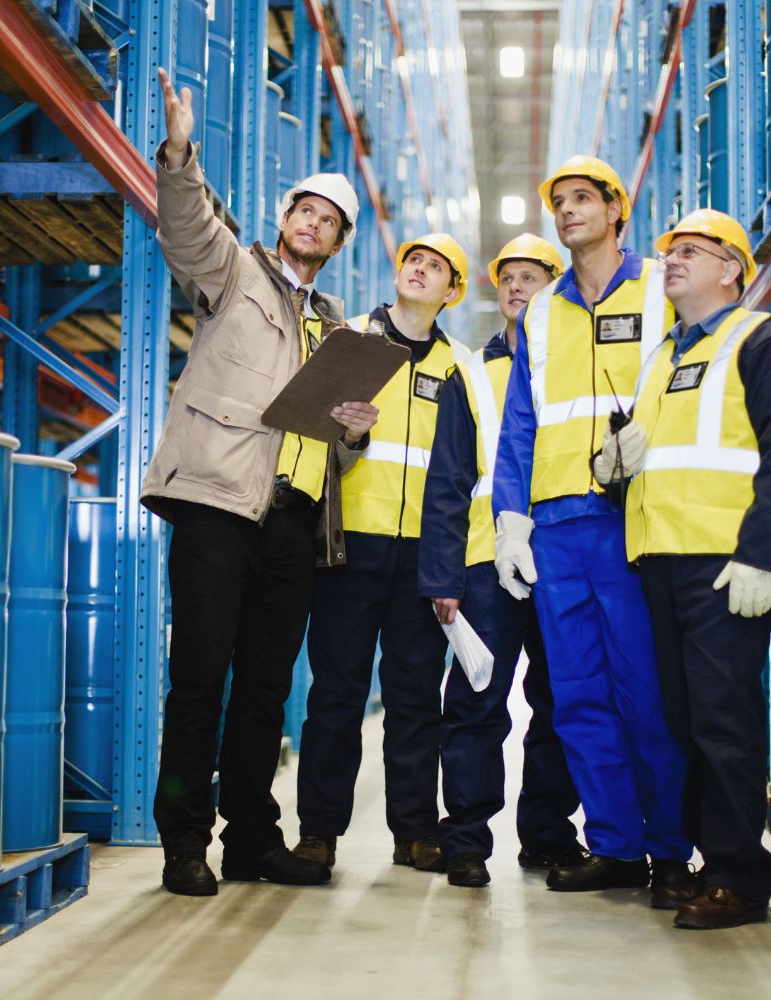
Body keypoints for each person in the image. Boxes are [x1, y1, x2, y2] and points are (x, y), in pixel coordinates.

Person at [142, 68, 377, 896]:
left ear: (339, 240)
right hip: (217, 506)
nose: (314, 222)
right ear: (285, 219)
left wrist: (353, 428)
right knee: (200, 680)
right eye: (305, 209)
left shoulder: (337, 325)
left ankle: (250, 839)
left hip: (293, 525)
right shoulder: (235, 275)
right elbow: (188, 230)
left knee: (267, 691)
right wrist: (179, 152)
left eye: (330, 219)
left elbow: (335, 449)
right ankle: (182, 843)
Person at [491, 156, 694, 907]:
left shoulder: (656, 285)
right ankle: (615, 844)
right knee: (576, 695)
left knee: (645, 691)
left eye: (583, 199)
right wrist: (512, 520)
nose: (568, 212)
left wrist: (652, 440)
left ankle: (670, 847)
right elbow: (520, 421)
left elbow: (689, 370)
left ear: (616, 211)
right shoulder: (541, 309)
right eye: (560, 202)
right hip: (556, 526)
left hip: (631, 518)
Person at [612, 208, 771, 929]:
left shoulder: (760, 342)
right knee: (686, 718)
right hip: (662, 559)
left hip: (728, 567)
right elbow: (661, 461)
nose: (671, 261)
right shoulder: (665, 357)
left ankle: (739, 875)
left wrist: (761, 554)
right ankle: (711, 859)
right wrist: (615, 469)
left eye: (689, 251)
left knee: (723, 722)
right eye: (669, 252)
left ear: (731, 268)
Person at [293, 235, 470, 873]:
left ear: (452, 292)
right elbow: (306, 434)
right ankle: (318, 834)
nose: (419, 270)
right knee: (337, 695)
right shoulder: (351, 343)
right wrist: (346, 434)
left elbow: (462, 472)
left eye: (435, 267)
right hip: (349, 546)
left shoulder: (460, 368)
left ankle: (416, 833)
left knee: (416, 697)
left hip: (423, 554)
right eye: (412, 261)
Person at [418, 234, 587, 888]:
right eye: (508, 278)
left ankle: (548, 834)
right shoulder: (471, 375)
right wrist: (442, 577)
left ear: (556, 286)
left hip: (567, 559)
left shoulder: (576, 366)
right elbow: (447, 481)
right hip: (486, 567)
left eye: (532, 277)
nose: (517, 287)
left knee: (563, 703)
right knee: (476, 704)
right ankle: (464, 840)